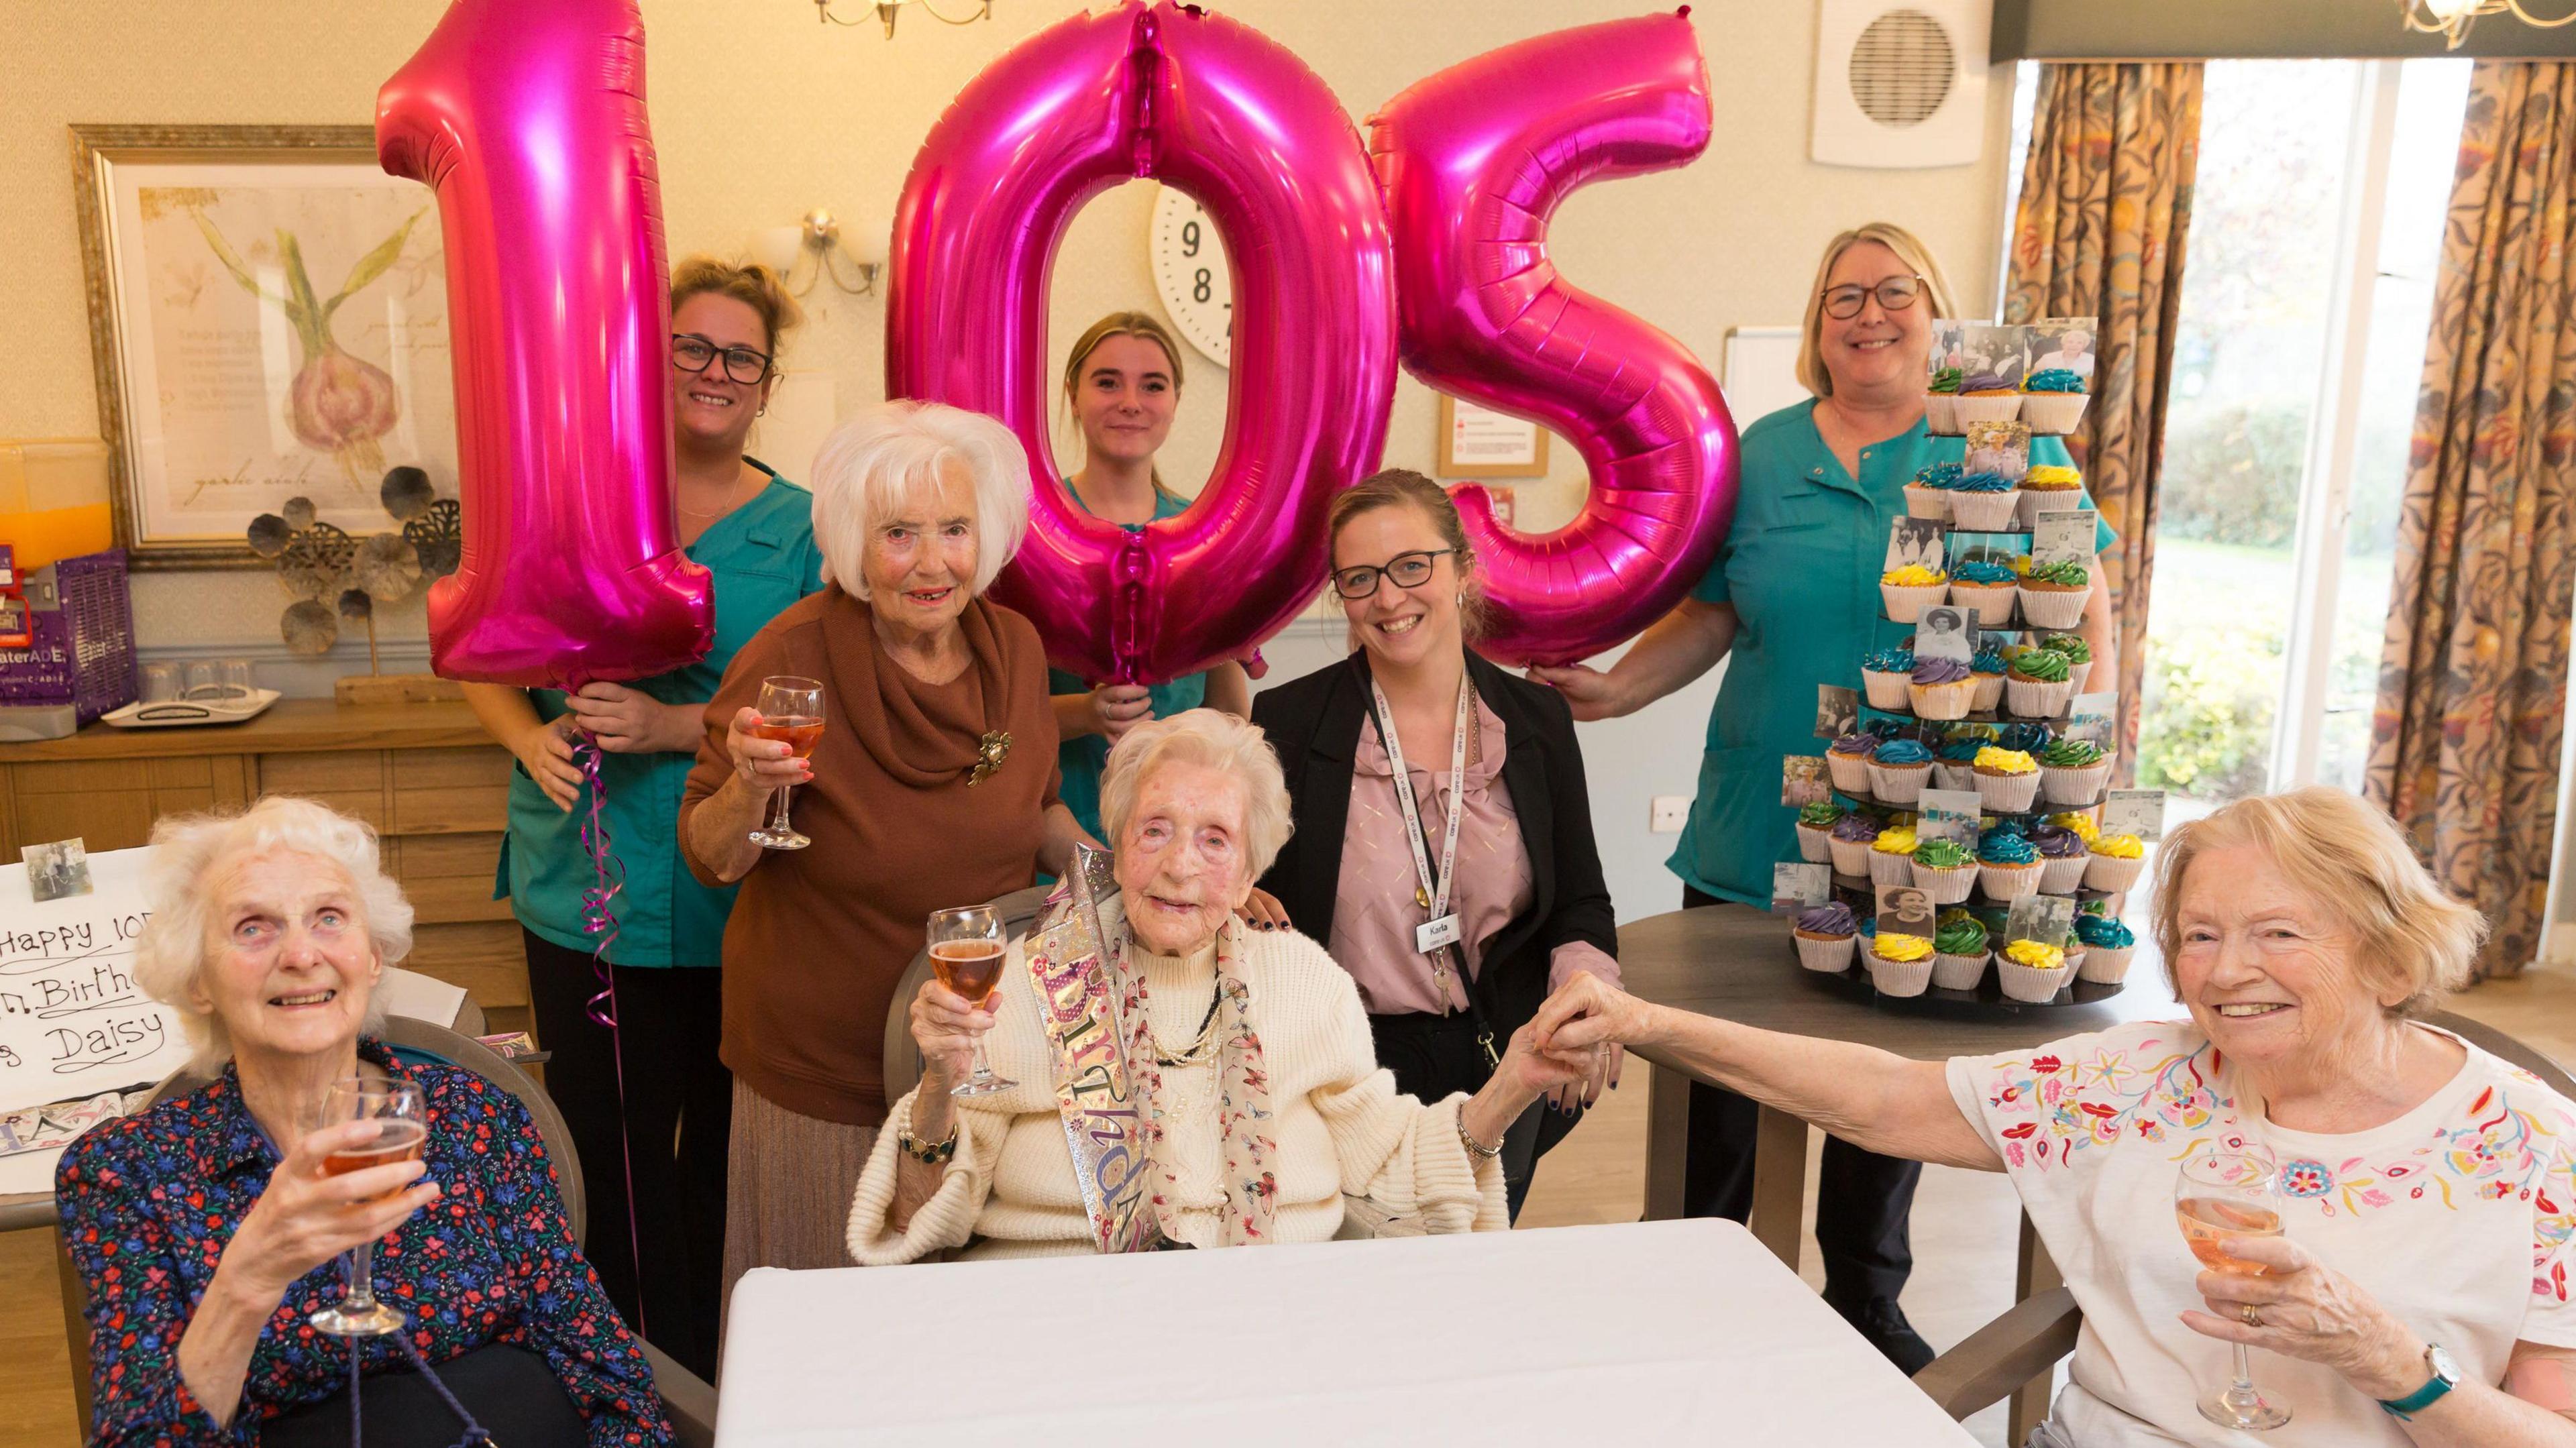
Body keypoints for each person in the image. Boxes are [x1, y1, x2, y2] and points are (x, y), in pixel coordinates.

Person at [1533, 786, 2576, 1446]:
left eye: (2279, 932)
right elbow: (1892, 1097)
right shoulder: (2142, 1078)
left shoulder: (2538, 1149)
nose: (2226, 970)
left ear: (2391, 952)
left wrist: (2395, 1363)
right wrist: (1652, 1021)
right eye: (2200, 934)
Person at [1527, 221, 2123, 1369]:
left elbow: (2082, 593)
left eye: (1894, 291)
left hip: (1925, 826)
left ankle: (1865, 1296)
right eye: (1843, 296)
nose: (1869, 314)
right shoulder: (1759, 455)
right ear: (1817, 326)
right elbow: (1711, 612)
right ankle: (1698, 1291)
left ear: (1936, 314)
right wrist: (1613, 690)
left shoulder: (1995, 445)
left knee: (1881, 1082)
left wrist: (2079, 750)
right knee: (1718, 1081)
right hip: (1756, 825)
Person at [845, 710, 1595, 1260]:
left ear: (1247, 875)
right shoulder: (1026, 985)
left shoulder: (1305, 982)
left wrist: (1513, 1082)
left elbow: (1396, 1164)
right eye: (1155, 829)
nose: (1179, 866)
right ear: (1117, 841)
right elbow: (915, 1216)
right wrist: (941, 1087)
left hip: (1273, 1329)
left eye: (1214, 840)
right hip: (1065, 1330)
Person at [460, 256, 818, 1378]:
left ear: (768, 380)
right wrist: (525, 736)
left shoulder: (807, 532)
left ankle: (719, 1378)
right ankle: (616, 1376)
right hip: (587, 884)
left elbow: (822, 700)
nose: (715, 372)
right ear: (647, 361)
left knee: (721, 1152)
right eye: (691, 348)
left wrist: (671, 731)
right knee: (604, 1154)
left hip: (737, 892)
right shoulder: (575, 496)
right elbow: (479, 642)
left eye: (740, 356)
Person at [57, 797, 668, 1447]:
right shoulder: (128, 1172)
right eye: (252, 927)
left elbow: (601, 1363)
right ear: (197, 977)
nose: (300, 953)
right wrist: (248, 1279)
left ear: (372, 955)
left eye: (328, 917)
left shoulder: (475, 1115)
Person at [678, 400, 1085, 1294]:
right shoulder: (794, 654)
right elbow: (712, 855)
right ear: (854, 542)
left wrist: (1106, 874)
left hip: (977, 1058)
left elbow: (1041, 808)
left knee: (951, 1323)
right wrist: (750, 783)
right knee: (829, 1316)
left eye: (954, 529)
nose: (931, 561)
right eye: (899, 533)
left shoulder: (1014, 647)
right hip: (824, 1070)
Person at [1245, 469, 1619, 1221]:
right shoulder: (1287, 719)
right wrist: (1237, 893)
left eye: (1412, 566)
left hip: (1502, 1054)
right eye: (1360, 578)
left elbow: (1578, 898)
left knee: (1472, 1272)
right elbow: (1244, 887)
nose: (1388, 598)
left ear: (1462, 570)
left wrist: (1589, 991)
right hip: (1348, 1069)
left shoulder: (1536, 720)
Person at [1046, 312, 1252, 840]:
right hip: (1052, 841)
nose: (1130, 401)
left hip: (1174, 843)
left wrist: (1229, 634)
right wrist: (1088, 712)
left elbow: (1229, 719)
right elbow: (993, 722)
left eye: (1152, 385)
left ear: (1175, 401)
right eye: (1107, 382)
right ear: (1073, 394)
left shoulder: (1208, 536)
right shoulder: (1030, 531)